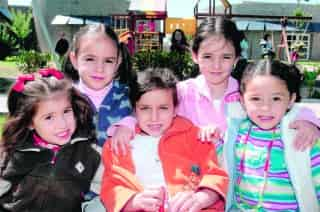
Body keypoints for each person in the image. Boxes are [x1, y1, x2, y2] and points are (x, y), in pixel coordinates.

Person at [110, 17, 320, 156]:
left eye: (226, 57)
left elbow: (285, 105)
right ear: (194, 56)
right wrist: (125, 125)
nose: (217, 66)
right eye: (208, 56)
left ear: (237, 58)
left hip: (236, 186)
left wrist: (310, 123)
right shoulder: (181, 91)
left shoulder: (248, 93)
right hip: (185, 178)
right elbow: (148, 109)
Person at [101, 68, 229, 212]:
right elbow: (111, 186)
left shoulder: (196, 137)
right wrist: (133, 202)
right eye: (145, 108)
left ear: (175, 109)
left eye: (163, 108)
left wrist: (201, 198)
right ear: (135, 110)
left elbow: (216, 175)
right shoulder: (119, 144)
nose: (154, 117)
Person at [225, 59, 320, 211]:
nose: (266, 107)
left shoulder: (303, 137)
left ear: (291, 100)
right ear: (242, 101)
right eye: (255, 99)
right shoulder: (235, 132)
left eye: (276, 98)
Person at [0, 68, 100, 212]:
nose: (63, 124)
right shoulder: (13, 153)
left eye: (66, 111)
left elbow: (111, 189)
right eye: (49, 117)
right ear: (29, 123)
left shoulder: (91, 152)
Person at [68, 24, 136, 211]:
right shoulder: (64, 99)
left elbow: (153, 116)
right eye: (90, 59)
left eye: (108, 61)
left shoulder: (129, 95)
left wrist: (130, 122)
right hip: (72, 191)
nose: (99, 68)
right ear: (74, 59)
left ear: (118, 61)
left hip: (120, 192)